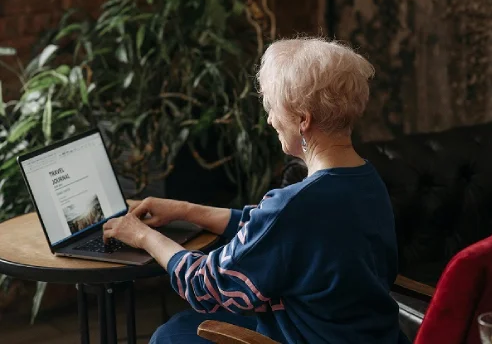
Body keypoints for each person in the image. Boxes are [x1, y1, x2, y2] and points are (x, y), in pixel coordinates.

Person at [103, 37, 409, 343]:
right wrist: (186, 211)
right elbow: (276, 231)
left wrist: (143, 236)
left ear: (303, 119)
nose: (270, 119)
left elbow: (203, 285)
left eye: (273, 108)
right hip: (370, 335)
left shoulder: (295, 206)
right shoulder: (368, 181)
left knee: (170, 336)